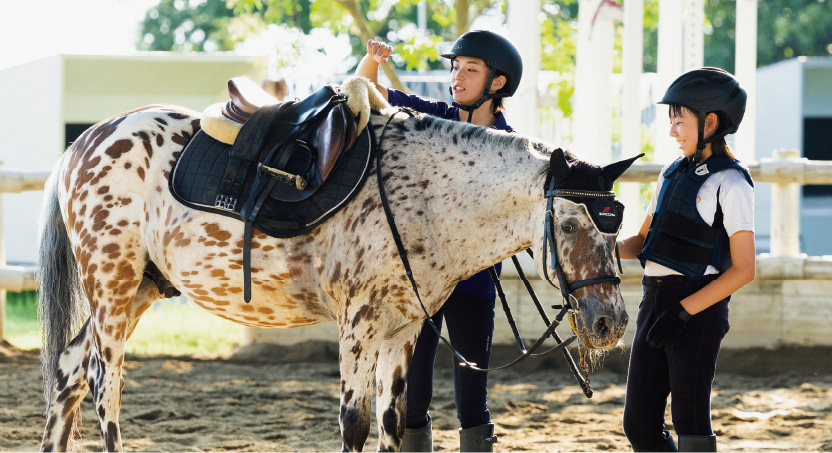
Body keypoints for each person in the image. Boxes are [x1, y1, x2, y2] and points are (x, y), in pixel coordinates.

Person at [354, 30, 523, 452]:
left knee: (473, 402)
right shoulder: (431, 117)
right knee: (412, 399)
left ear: (497, 83)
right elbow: (365, 94)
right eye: (455, 68)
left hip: (476, 286)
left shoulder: (510, 147)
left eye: (470, 69)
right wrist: (371, 60)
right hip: (421, 287)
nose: (457, 77)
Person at [616, 67, 756, 452]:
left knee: (690, 422)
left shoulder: (732, 181)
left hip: (698, 308)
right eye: (671, 120)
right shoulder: (670, 173)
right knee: (639, 424)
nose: (673, 130)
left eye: (680, 120)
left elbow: (745, 269)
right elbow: (641, 241)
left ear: (710, 121)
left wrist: (683, 312)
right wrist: (598, 243)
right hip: (653, 301)